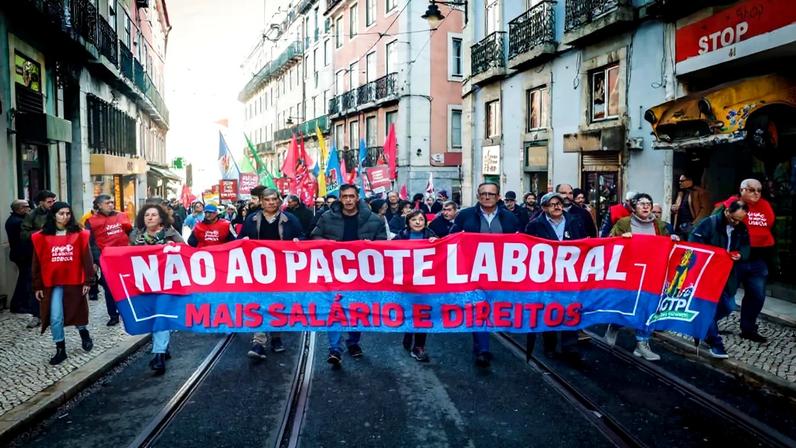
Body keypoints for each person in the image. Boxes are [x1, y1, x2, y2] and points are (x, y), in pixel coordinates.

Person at [310, 184, 387, 367]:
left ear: (357, 197)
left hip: (361, 272)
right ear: (340, 198)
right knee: (334, 309)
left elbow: (383, 243)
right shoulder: (327, 217)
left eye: (352, 196)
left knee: (357, 309)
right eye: (345, 196)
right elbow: (314, 237)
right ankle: (334, 348)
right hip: (334, 272)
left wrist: (372, 246)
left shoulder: (373, 219)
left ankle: (353, 341)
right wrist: (328, 243)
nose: (349, 200)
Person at [450, 182, 519, 368]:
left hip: (500, 273)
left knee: (493, 309)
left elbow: (520, 243)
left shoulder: (510, 218)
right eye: (483, 194)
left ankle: (479, 342)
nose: (487, 197)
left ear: (498, 197)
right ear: (478, 196)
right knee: (478, 308)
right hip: (473, 273)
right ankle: (483, 349)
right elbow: (451, 239)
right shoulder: (465, 216)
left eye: (491, 194)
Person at [605, 193, 679, 361]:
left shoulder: (660, 225)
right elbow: (609, 242)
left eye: (648, 203)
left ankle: (642, 343)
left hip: (652, 273)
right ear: (634, 207)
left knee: (647, 308)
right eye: (641, 204)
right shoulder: (624, 223)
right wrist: (620, 239)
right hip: (630, 273)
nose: (645, 206)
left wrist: (673, 239)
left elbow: (668, 245)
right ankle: (615, 324)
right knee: (627, 306)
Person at [239, 188, 303, 359]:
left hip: (282, 269)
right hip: (257, 269)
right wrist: (243, 241)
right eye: (267, 200)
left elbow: (303, 237)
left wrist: (298, 241)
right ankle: (258, 341)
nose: (271, 202)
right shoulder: (251, 220)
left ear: (279, 200)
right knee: (257, 303)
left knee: (277, 303)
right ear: (261, 201)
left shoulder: (290, 220)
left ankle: (276, 336)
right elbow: (240, 238)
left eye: (274, 199)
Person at [524, 192, 588, 363]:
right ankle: (550, 346)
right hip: (547, 275)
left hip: (570, 273)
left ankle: (571, 347)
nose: (557, 206)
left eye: (559, 203)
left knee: (571, 309)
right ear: (544, 208)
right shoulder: (535, 225)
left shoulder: (574, 221)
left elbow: (586, 243)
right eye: (552, 204)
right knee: (550, 309)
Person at [31, 202, 94, 365]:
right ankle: (60, 349)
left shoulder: (79, 234)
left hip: (74, 280)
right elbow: (37, 262)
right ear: (53, 215)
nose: (65, 217)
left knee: (76, 310)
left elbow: (87, 258)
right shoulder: (41, 236)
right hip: (52, 282)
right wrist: (37, 285)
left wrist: (88, 280)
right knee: (55, 316)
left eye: (67, 213)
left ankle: (83, 332)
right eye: (61, 213)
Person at [689, 200, 750, 358]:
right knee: (707, 307)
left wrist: (740, 254)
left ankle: (701, 324)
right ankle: (716, 343)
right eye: (734, 219)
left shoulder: (741, 227)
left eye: (740, 220)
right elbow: (694, 243)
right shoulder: (709, 223)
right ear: (727, 212)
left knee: (728, 306)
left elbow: (746, 246)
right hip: (707, 272)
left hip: (727, 273)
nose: (736, 222)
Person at [129, 204, 184, 373]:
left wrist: (172, 247)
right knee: (153, 317)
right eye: (147, 215)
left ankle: (158, 355)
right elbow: (127, 256)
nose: (150, 217)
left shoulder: (170, 233)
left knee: (161, 314)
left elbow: (185, 251)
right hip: (145, 283)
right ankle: (163, 347)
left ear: (161, 218)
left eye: (154, 215)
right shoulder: (136, 235)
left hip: (166, 283)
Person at [718, 178, 774, 343]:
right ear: (742, 190)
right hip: (735, 259)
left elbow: (769, 224)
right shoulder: (731, 204)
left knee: (757, 295)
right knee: (726, 296)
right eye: (751, 189)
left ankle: (748, 329)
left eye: (759, 190)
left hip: (757, 259)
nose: (756, 193)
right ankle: (709, 324)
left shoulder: (765, 205)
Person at [395, 210, 437, 362]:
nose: (418, 222)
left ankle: (419, 347)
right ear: (408, 222)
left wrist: (437, 243)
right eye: (414, 219)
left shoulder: (433, 237)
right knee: (408, 312)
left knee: (422, 314)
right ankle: (408, 331)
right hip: (405, 283)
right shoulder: (400, 237)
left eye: (421, 219)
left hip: (425, 284)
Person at [85, 194, 133, 326]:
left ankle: (127, 311)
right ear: (99, 205)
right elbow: (90, 243)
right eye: (107, 203)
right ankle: (113, 314)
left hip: (123, 256)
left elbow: (131, 233)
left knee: (125, 286)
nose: (111, 205)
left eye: (112, 202)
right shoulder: (91, 221)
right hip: (106, 259)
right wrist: (95, 261)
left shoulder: (122, 216)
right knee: (109, 288)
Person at [6, 199, 33, 314]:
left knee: (25, 279)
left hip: (22, 254)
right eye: (26, 206)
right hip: (22, 255)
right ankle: (18, 305)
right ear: (19, 208)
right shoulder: (17, 221)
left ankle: (22, 304)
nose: (29, 208)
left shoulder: (18, 219)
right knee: (24, 280)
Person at [671, 173, 711, 240]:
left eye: (682, 181)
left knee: (690, 247)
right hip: (680, 227)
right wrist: (673, 209)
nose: (680, 183)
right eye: (679, 181)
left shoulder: (700, 192)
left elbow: (705, 211)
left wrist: (694, 224)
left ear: (690, 181)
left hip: (691, 226)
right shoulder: (681, 193)